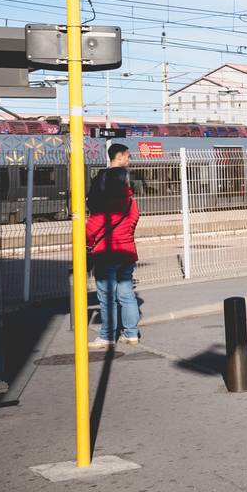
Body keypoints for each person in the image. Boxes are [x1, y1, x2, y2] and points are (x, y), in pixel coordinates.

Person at [86, 145, 140, 348]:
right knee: (126, 294)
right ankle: (132, 333)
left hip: (107, 251)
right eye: (128, 155)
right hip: (126, 250)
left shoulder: (106, 202)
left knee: (107, 296)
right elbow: (134, 216)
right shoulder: (129, 196)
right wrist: (126, 234)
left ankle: (107, 336)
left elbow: (96, 223)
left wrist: (85, 239)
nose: (131, 159)